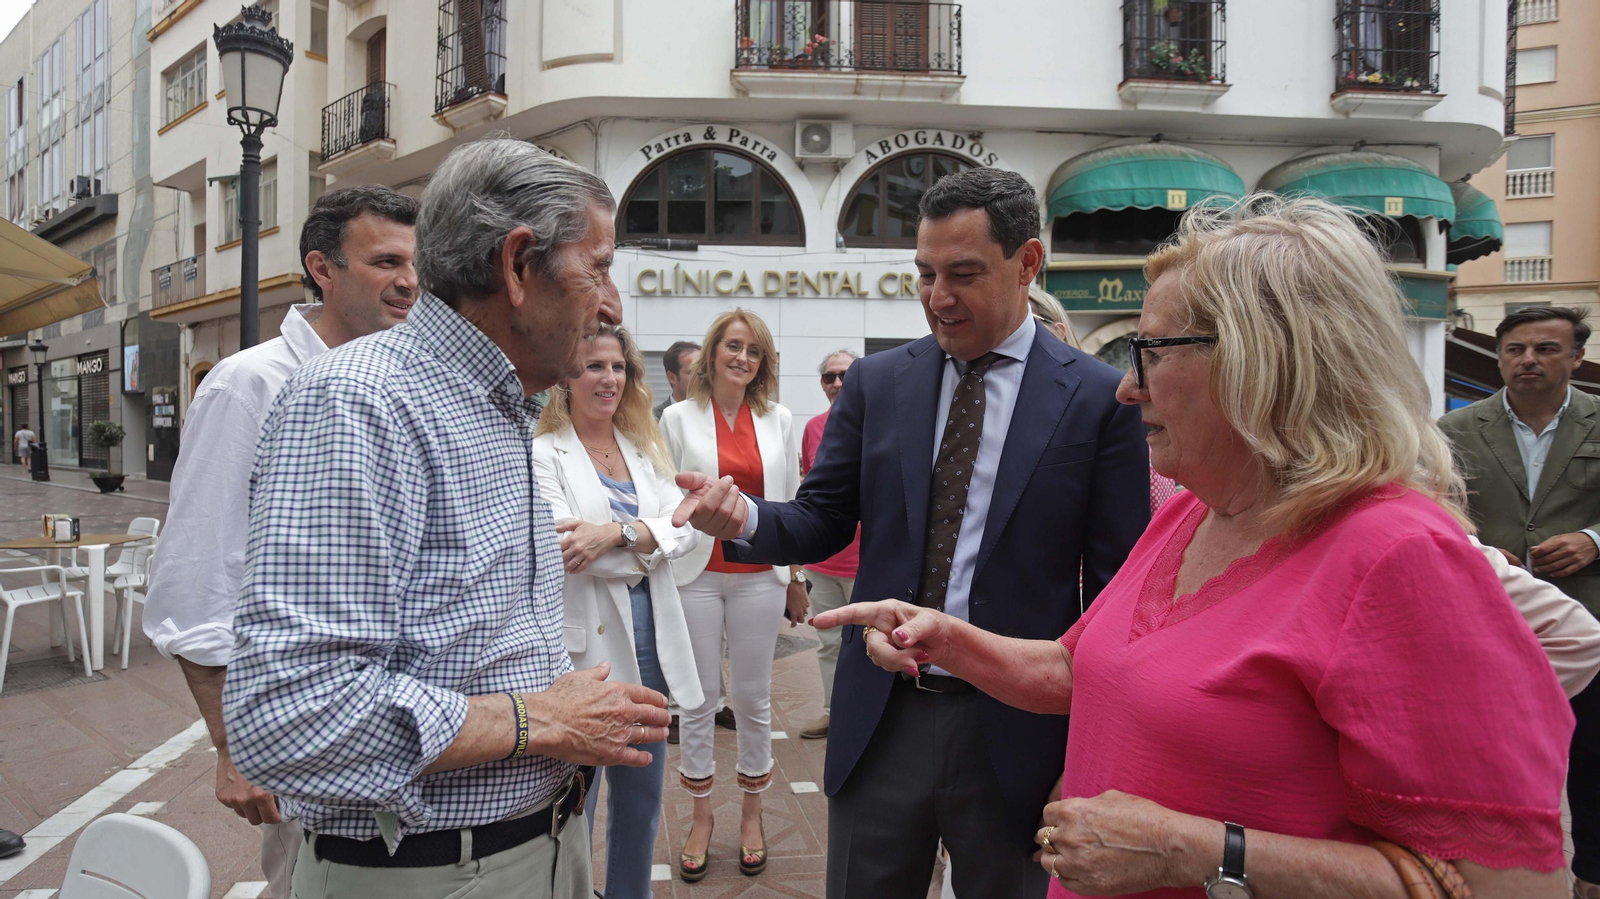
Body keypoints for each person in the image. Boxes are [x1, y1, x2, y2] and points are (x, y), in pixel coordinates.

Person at [816, 194, 1575, 899]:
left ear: (1263, 361)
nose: (1124, 389)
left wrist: (1202, 849)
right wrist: (944, 635)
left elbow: (1506, 883)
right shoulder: (1194, 514)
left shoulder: (1398, 556)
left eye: (1150, 353)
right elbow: (1077, 667)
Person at [674, 168, 1150, 899]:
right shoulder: (878, 382)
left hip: (1017, 735)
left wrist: (1092, 749)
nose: (937, 297)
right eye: (924, 274)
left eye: (963, 274)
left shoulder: (1096, 400)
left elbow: (1121, 596)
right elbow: (824, 515)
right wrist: (745, 517)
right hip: (883, 720)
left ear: (1028, 262)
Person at [222, 139, 670, 899]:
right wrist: (538, 720)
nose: (612, 304)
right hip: (435, 873)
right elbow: (286, 713)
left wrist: (552, 701)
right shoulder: (360, 403)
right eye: (598, 266)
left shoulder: (499, 405)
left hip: (528, 851)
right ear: (519, 266)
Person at [140, 184, 420, 899]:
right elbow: (196, 581)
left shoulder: (406, 382)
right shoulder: (249, 385)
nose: (410, 281)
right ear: (322, 268)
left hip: (405, 735)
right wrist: (235, 749)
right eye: (386, 260)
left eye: (417, 263)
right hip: (304, 733)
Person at [530, 323, 703, 899]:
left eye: (618, 368)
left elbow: (687, 532)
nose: (607, 379)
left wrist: (617, 532)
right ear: (566, 378)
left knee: (643, 792)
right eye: (592, 366)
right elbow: (571, 550)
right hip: (586, 647)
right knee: (578, 793)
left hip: (653, 633)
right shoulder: (544, 452)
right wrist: (644, 539)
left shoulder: (643, 446)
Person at [1437, 304, 1600, 898]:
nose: (1528, 360)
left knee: (1592, 754)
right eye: (1515, 350)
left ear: (1576, 357)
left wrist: (1593, 540)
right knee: (1504, 750)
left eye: (1545, 349)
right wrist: (1476, 546)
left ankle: (1591, 874)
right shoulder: (1455, 428)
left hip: (1588, 615)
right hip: (1492, 618)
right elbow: (1436, 503)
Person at [659, 308, 803, 882]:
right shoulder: (675, 417)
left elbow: (791, 504)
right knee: (696, 699)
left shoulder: (780, 418)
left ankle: (750, 814)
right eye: (733, 346)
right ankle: (701, 817)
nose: (743, 358)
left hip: (760, 577)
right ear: (714, 351)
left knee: (751, 698)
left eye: (754, 351)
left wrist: (795, 578)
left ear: (763, 363)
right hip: (695, 574)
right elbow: (666, 501)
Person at [796, 348, 862, 741]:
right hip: (824, 561)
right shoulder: (812, 428)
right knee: (828, 643)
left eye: (845, 376)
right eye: (829, 377)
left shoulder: (882, 421)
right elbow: (810, 495)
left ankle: (867, 718)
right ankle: (834, 713)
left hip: (867, 560)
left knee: (872, 644)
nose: (837, 384)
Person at [654, 340, 701, 420]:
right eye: (693, 372)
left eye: (704, 370)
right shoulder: (655, 420)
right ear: (672, 378)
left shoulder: (715, 414)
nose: (701, 376)